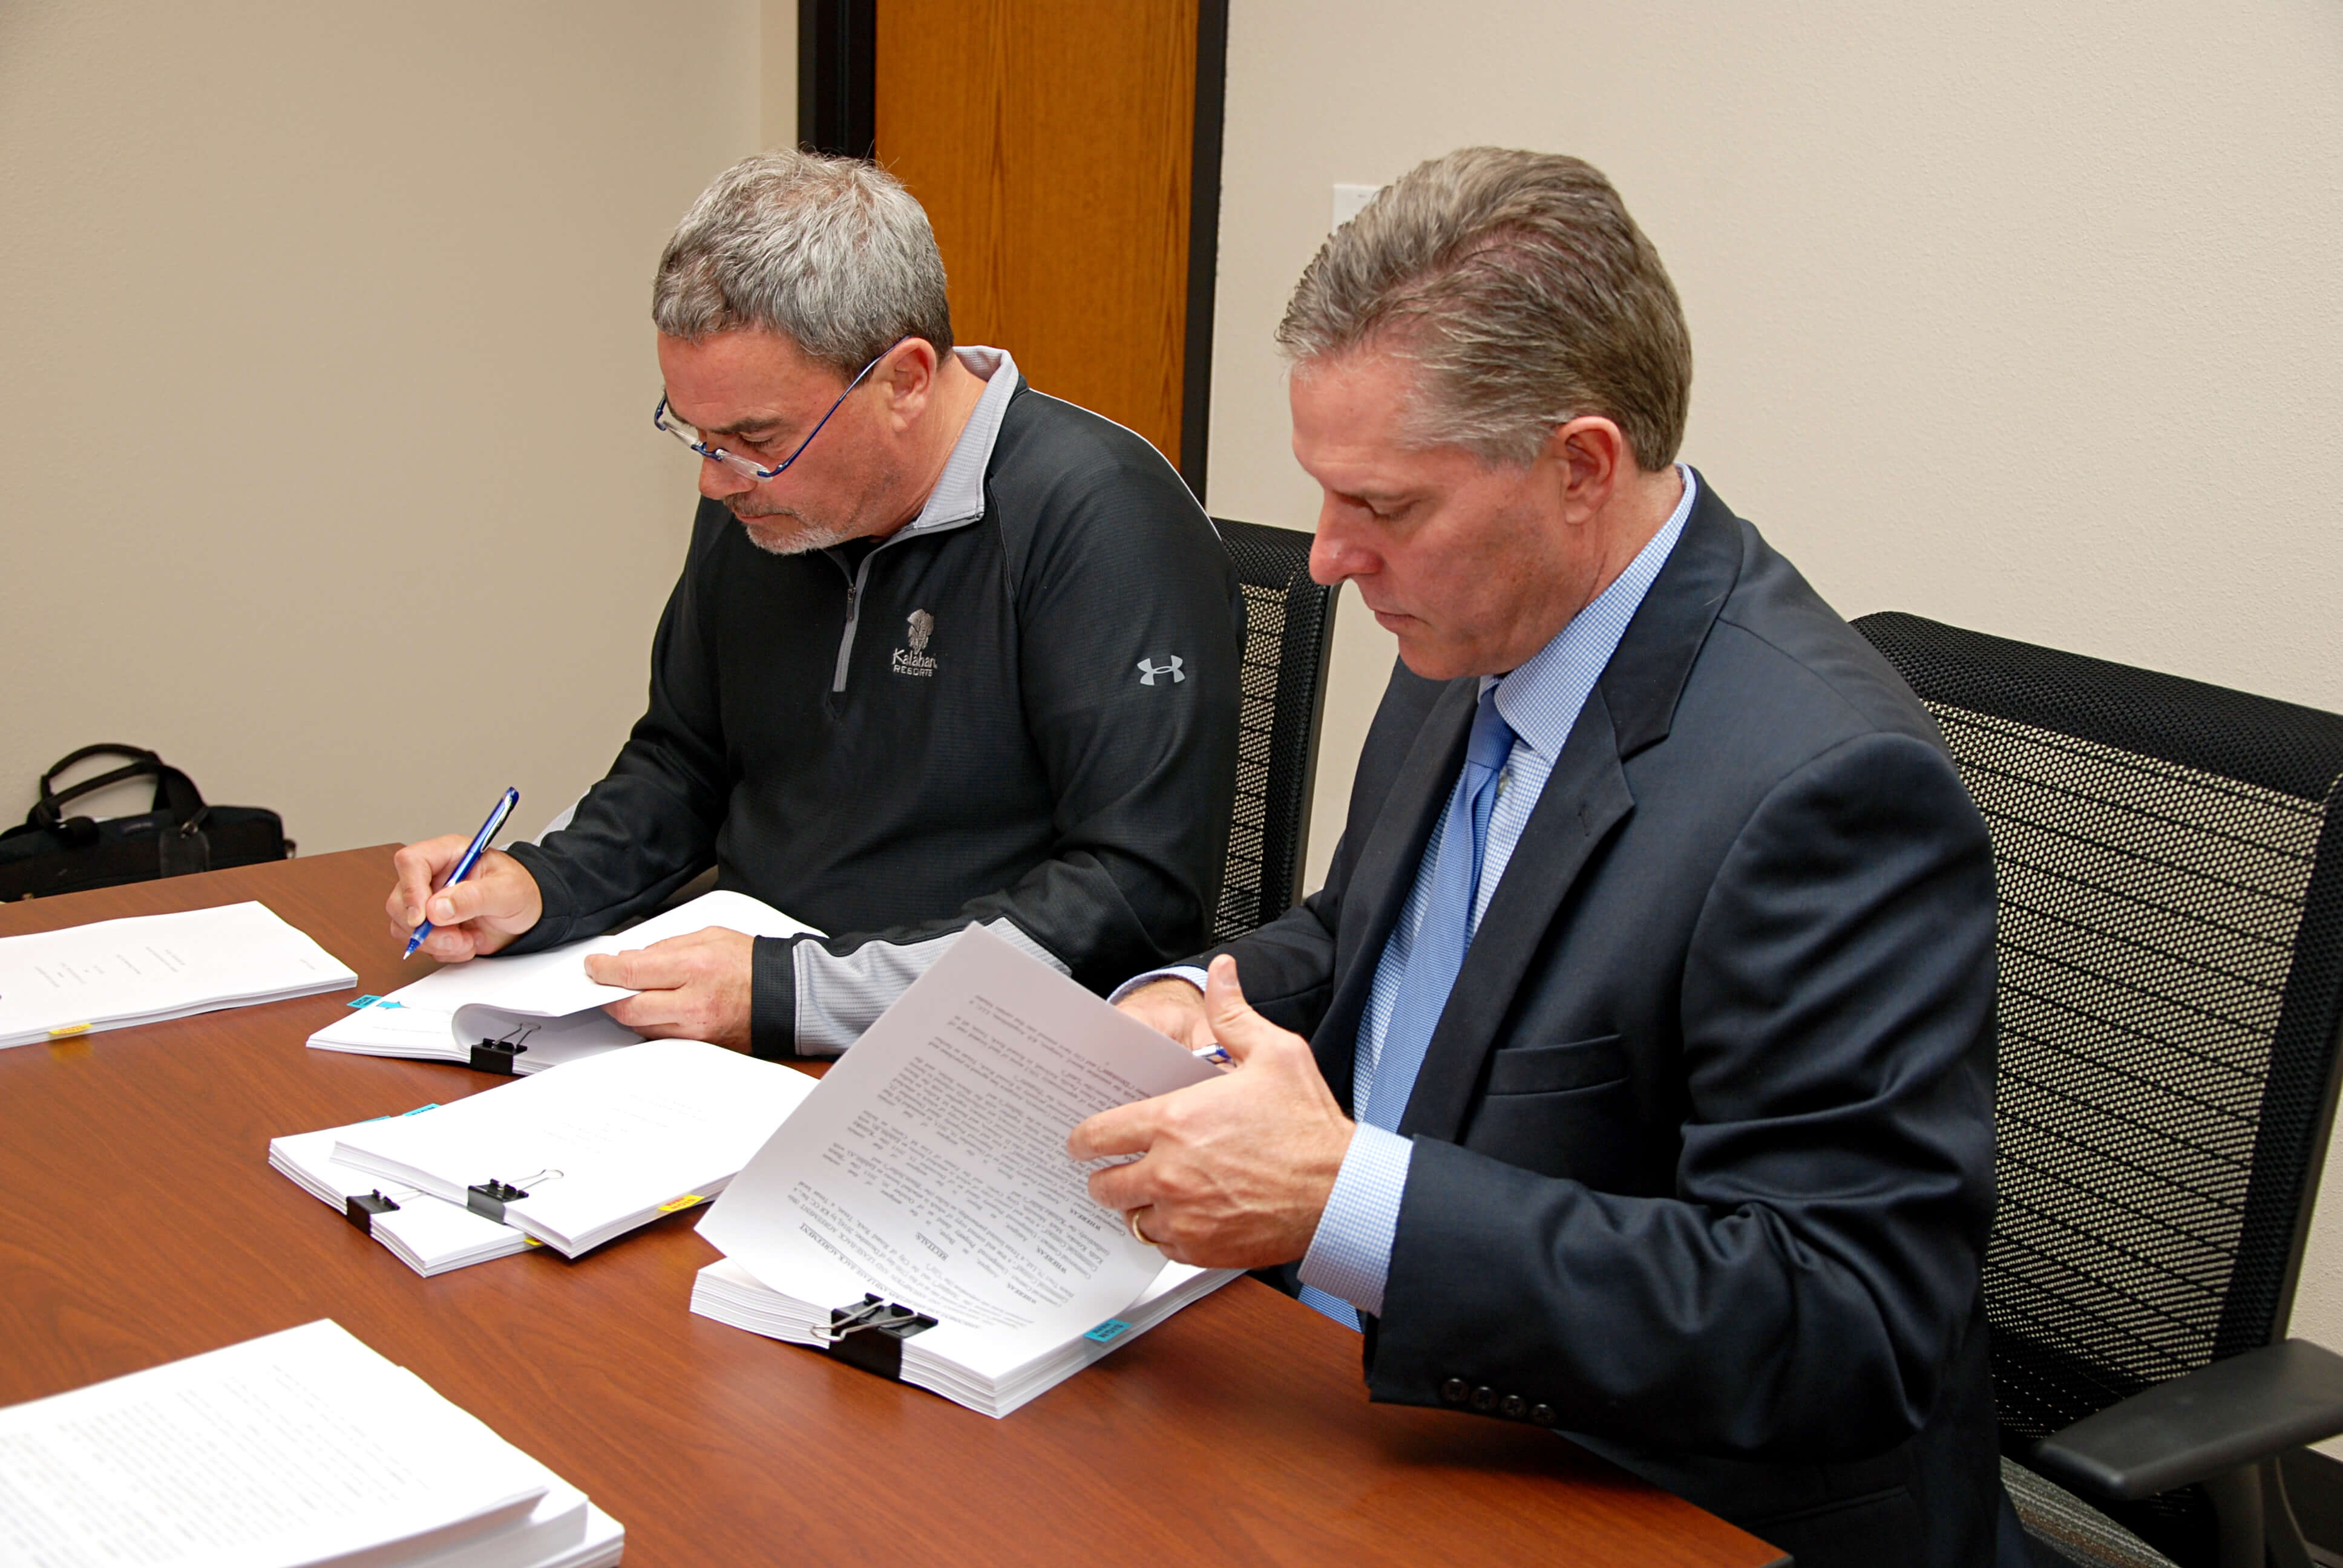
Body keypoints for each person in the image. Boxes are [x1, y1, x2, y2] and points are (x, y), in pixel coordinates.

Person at [1069, 148, 2023, 1566]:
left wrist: (1342, 1202)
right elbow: (1373, 938)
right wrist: (1194, 997)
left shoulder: (1828, 787)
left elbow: (1841, 1316)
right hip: (1361, 1413)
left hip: (1645, 1495)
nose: (1326, 560)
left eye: (1382, 508)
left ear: (1580, 466)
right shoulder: (1479, 620)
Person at [385, 150, 1241, 1056]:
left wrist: (792, 992)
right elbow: (682, 764)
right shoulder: (766, 495)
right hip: (735, 1022)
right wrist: (542, 887)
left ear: (906, 379)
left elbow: (1127, 896)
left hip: (972, 1062)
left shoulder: (1103, 520)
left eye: (754, 437)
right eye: (699, 436)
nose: (717, 482)